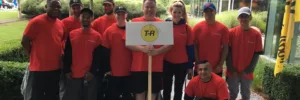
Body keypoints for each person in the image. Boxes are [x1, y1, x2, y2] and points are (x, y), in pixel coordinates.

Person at [125, 0, 172, 100]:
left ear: (156, 8)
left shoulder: (162, 24)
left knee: (153, 95)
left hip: (156, 67)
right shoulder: (135, 22)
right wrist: (143, 49)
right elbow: (128, 43)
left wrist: (157, 51)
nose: (149, 9)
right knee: (139, 94)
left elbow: (169, 44)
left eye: (152, 7)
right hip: (138, 67)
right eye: (147, 7)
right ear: (143, 8)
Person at [21, 0, 64, 100]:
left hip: (55, 68)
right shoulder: (36, 21)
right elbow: (24, 41)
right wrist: (32, 54)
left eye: (58, 7)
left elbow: (58, 42)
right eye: (53, 6)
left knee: (53, 95)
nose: (56, 9)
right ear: (46, 7)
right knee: (37, 95)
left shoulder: (60, 24)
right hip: (39, 68)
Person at [62, 8, 104, 100]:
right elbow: (67, 54)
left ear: (92, 18)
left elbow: (98, 57)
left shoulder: (97, 36)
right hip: (73, 75)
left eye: (88, 17)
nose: (85, 19)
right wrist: (67, 70)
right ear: (79, 18)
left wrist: (92, 72)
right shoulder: (72, 34)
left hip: (90, 76)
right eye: (83, 16)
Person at [226, 7, 263, 100]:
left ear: (250, 18)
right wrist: (231, 69)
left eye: (246, 16)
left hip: (247, 72)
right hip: (232, 72)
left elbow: (256, 54)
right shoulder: (231, 33)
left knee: (246, 95)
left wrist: (248, 70)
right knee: (232, 95)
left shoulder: (256, 34)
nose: (244, 19)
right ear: (238, 18)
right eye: (241, 16)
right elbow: (227, 52)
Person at [101, 6, 134, 100]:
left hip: (130, 71)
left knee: (128, 97)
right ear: (115, 16)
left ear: (126, 15)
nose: (120, 16)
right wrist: (107, 69)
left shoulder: (132, 29)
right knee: (112, 96)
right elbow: (104, 51)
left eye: (122, 14)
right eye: (118, 14)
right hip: (114, 72)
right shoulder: (109, 31)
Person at [163, 1, 194, 100]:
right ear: (171, 11)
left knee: (178, 88)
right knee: (166, 87)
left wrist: (190, 66)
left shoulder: (187, 28)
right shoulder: (165, 26)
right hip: (167, 62)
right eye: (174, 12)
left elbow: (190, 48)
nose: (176, 14)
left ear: (182, 13)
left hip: (182, 63)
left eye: (179, 12)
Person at [193, 2, 229, 77]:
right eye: (206, 11)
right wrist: (197, 62)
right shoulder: (197, 28)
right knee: (198, 88)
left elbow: (225, 48)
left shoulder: (223, 29)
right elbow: (194, 46)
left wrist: (220, 64)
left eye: (211, 11)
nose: (209, 13)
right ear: (203, 13)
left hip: (216, 68)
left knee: (215, 88)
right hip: (200, 68)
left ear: (215, 12)